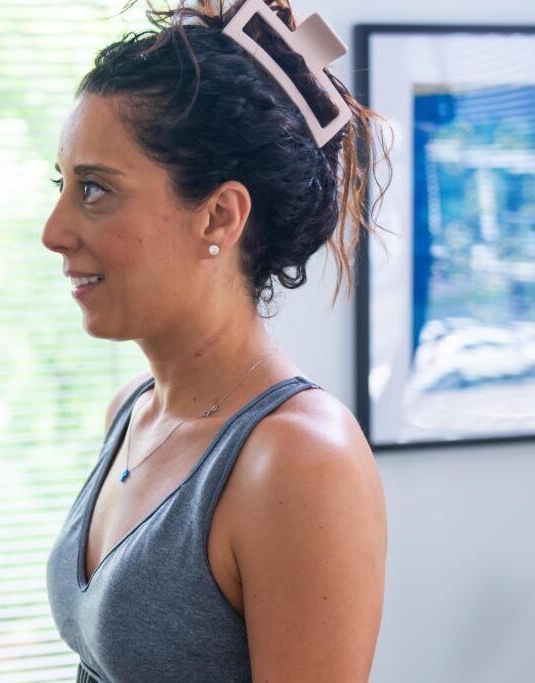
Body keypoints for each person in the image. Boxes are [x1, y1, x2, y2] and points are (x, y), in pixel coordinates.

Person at [42, 0, 393, 680]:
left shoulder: (299, 460)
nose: (53, 230)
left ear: (219, 215)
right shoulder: (130, 412)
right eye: (62, 183)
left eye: (94, 190)